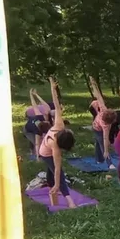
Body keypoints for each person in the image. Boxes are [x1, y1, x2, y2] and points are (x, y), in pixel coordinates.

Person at [39, 77, 76, 208]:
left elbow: (55, 104)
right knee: (58, 173)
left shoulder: (59, 124)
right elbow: (58, 169)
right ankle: (69, 200)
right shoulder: (55, 148)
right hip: (44, 153)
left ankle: (51, 184)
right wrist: (57, 183)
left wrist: (53, 88)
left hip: (46, 147)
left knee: (51, 171)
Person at [89, 77, 116, 164]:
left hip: (94, 125)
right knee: (103, 145)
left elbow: (98, 96)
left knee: (98, 142)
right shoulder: (106, 126)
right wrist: (106, 151)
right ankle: (109, 164)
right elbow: (105, 138)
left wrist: (94, 84)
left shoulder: (104, 109)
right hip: (97, 129)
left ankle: (99, 160)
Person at [24, 88, 51, 156]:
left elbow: (35, 105)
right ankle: (36, 153)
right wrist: (38, 157)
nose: (45, 113)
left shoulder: (40, 116)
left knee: (41, 141)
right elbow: (37, 144)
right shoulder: (38, 131)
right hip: (27, 130)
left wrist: (34, 95)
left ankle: (40, 152)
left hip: (32, 126)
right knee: (35, 142)